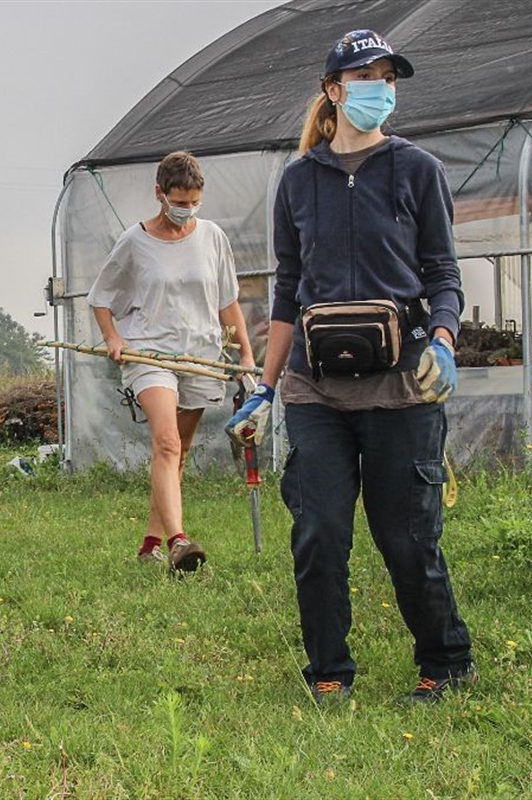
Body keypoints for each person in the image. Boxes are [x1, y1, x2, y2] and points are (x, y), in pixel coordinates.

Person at [226, 29, 475, 703]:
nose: (383, 89)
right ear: (334, 91)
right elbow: (286, 291)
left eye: (390, 78)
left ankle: (447, 663)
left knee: (406, 537)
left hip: (402, 386)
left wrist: (445, 341)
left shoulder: (417, 169)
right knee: (318, 532)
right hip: (316, 390)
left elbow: (443, 273)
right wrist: (266, 386)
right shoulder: (298, 181)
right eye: (368, 77)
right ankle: (329, 674)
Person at [88, 151, 254, 572]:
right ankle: (179, 541)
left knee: (178, 452)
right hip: (150, 353)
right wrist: (113, 337)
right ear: (160, 194)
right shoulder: (135, 241)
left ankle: (150, 543)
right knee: (166, 442)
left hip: (199, 354)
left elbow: (227, 303)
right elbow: (101, 298)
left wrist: (247, 355)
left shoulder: (214, 237)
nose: (187, 209)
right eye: (179, 201)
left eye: (194, 202)